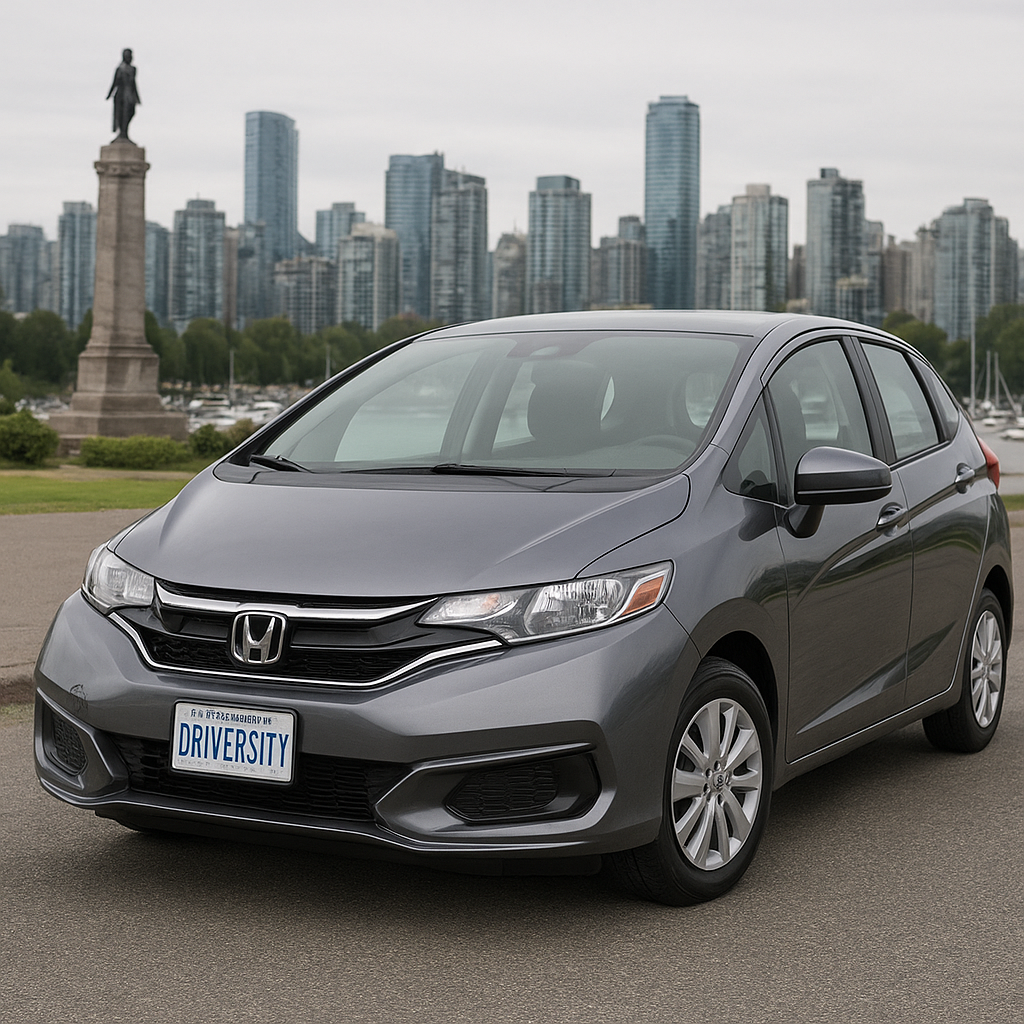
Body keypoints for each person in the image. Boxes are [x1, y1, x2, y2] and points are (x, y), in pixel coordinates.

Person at [107, 49, 140, 140]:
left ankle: (125, 132)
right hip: (120, 95)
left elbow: (134, 84)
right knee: (121, 114)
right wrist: (109, 94)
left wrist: (137, 97)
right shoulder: (120, 69)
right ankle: (122, 133)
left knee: (131, 112)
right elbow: (114, 83)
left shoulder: (133, 69)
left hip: (129, 95)